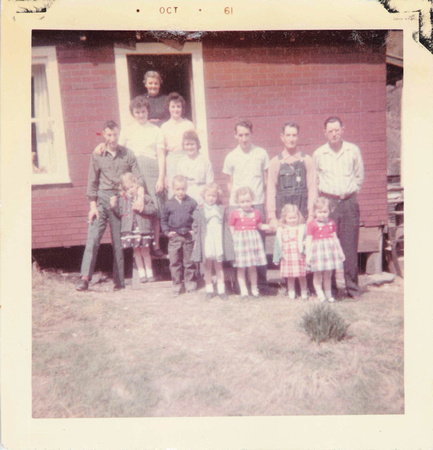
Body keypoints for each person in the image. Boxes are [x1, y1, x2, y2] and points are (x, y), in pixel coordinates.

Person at [75, 120, 145, 292]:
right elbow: (92, 182)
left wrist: (140, 197)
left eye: (115, 134)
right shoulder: (97, 154)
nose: (112, 138)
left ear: (118, 134)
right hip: (101, 199)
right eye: (108, 135)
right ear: (104, 135)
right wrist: (93, 207)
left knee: (117, 241)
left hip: (120, 200)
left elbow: (139, 177)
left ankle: (119, 281)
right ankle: (84, 278)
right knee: (93, 238)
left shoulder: (128, 154)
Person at [313, 116, 364, 299]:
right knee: (328, 245)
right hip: (329, 204)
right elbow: (316, 180)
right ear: (324, 133)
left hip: (349, 202)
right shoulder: (319, 154)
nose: (334, 134)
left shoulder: (353, 151)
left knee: (349, 247)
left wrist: (349, 194)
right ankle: (331, 289)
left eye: (337, 130)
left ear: (343, 129)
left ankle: (352, 288)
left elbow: (359, 177)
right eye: (330, 131)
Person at [222, 120, 271, 295]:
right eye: (240, 135)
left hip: (256, 202)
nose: (244, 138)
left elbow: (266, 182)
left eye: (246, 134)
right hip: (238, 205)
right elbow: (229, 183)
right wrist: (235, 204)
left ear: (251, 134)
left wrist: (263, 204)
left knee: (258, 247)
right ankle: (240, 286)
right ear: (235, 135)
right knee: (240, 248)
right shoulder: (231, 156)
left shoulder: (261, 153)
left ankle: (261, 284)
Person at [267, 122, 317, 226]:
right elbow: (271, 190)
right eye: (288, 135)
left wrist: (311, 215)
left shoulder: (307, 160)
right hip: (283, 215)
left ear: (298, 137)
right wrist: (272, 217)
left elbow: (312, 188)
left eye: (294, 135)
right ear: (282, 137)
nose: (291, 139)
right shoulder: (275, 162)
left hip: (303, 213)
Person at [110, 173, 157, 283]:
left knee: (145, 251)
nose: (130, 190)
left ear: (137, 185)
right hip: (131, 231)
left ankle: (149, 274)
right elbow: (120, 213)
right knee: (136, 252)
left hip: (143, 230)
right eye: (127, 188)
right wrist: (114, 206)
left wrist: (142, 208)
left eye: (131, 187)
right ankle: (142, 275)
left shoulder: (146, 198)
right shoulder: (123, 200)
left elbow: (153, 210)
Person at [191, 183, 234, 300]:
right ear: (204, 196)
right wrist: (196, 239)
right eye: (209, 195)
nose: (211, 198)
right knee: (207, 266)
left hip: (218, 239)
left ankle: (221, 290)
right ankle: (209, 289)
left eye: (214, 196)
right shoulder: (199, 210)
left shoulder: (220, 209)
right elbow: (195, 227)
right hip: (207, 240)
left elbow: (225, 226)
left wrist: (228, 240)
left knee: (219, 266)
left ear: (217, 196)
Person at [229, 186, 270, 299]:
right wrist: (234, 237)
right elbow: (231, 226)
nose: (246, 204)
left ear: (252, 200)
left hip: (253, 241)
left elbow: (260, 225)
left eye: (248, 201)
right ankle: (244, 290)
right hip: (240, 241)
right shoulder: (235, 213)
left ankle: (254, 288)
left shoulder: (256, 212)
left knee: (253, 267)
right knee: (241, 268)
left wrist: (270, 226)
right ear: (238, 202)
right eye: (242, 201)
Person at [161, 175, 198, 296]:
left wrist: (194, 229)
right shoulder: (168, 204)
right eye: (178, 189)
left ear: (186, 188)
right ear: (173, 189)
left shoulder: (191, 202)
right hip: (175, 236)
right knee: (175, 262)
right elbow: (163, 220)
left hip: (188, 236)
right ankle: (176, 284)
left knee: (189, 261)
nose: (180, 192)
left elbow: (197, 218)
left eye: (183, 189)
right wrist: (166, 231)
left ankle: (190, 283)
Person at [305, 197, 346, 303]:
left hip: (329, 251)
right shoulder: (312, 224)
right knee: (318, 274)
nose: (322, 214)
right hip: (318, 252)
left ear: (329, 211)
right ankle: (320, 294)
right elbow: (309, 240)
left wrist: (340, 252)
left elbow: (335, 237)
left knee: (328, 274)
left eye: (325, 212)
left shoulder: (331, 223)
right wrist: (308, 255)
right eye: (319, 212)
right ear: (314, 212)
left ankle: (329, 295)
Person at [156, 92, 195, 198]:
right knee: (173, 191)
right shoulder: (164, 127)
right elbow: (161, 153)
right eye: (173, 106)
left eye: (178, 106)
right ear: (168, 108)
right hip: (172, 161)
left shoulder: (188, 125)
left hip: (187, 159)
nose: (176, 109)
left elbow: (195, 146)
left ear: (182, 108)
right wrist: (162, 176)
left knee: (188, 189)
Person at [272, 204, 308, 300]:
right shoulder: (281, 229)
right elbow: (277, 245)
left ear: (298, 216)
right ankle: (291, 293)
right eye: (290, 218)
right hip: (287, 257)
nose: (292, 220)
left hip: (299, 255)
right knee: (290, 277)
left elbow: (306, 241)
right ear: (285, 218)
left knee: (302, 276)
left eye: (294, 217)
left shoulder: (301, 228)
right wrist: (276, 257)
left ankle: (304, 292)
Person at [177, 130, 214, 205]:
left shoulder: (205, 161)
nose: (190, 147)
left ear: (197, 144)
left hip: (202, 195)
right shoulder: (181, 162)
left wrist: (206, 198)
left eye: (192, 144)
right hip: (186, 196)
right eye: (187, 144)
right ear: (183, 146)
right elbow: (180, 183)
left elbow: (210, 183)